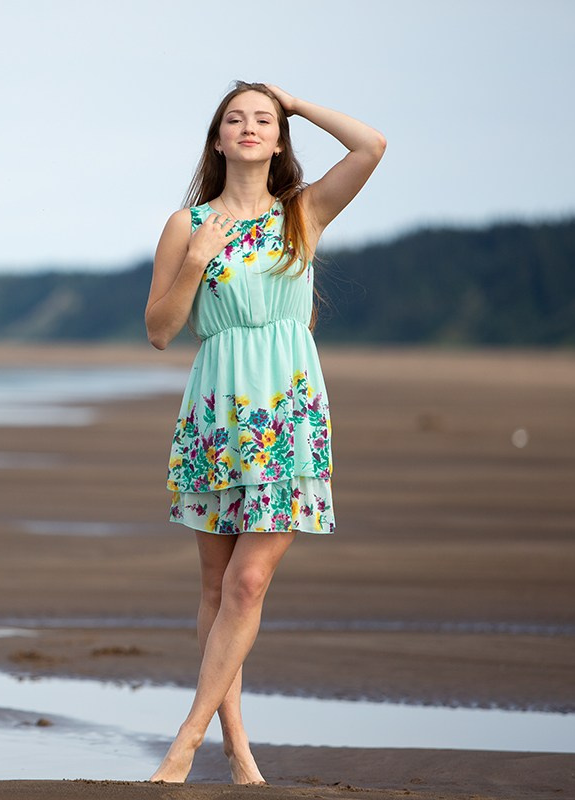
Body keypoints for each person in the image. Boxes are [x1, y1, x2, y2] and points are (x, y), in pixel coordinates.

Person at [143, 82, 386, 784]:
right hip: (216, 416)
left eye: (263, 120)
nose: (249, 128)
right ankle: (239, 748)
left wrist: (300, 103)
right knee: (218, 590)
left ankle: (185, 742)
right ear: (217, 140)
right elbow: (160, 331)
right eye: (234, 120)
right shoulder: (186, 225)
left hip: (285, 414)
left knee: (249, 584)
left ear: (278, 139)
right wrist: (195, 261)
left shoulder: (302, 214)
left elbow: (371, 146)